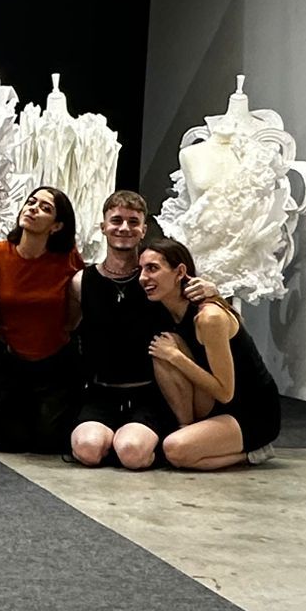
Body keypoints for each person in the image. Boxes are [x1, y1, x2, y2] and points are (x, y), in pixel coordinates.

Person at [140, 238, 284, 470]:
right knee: (163, 346)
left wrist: (175, 357)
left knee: (175, 451)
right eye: (142, 269)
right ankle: (187, 428)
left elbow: (225, 392)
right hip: (213, 403)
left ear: (180, 272)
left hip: (251, 411)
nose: (143, 277)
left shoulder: (209, 317)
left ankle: (252, 453)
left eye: (152, 268)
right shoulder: (165, 310)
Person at [69, 190, 185, 471]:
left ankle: (131, 443)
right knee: (87, 449)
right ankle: (112, 441)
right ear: (103, 226)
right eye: (116, 220)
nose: (124, 228)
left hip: (148, 394)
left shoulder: (157, 280)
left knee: (132, 453)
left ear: (143, 229)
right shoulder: (82, 281)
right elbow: (69, 329)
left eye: (133, 222)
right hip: (101, 393)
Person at [0, 186, 86, 453]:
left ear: (57, 226)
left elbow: (79, 303)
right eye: (31, 202)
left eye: (45, 208)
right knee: (9, 442)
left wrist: (68, 327)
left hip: (56, 363)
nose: (33, 209)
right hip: (13, 362)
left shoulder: (69, 259)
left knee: (50, 444)